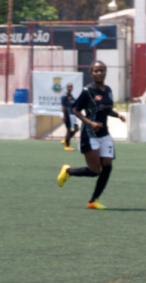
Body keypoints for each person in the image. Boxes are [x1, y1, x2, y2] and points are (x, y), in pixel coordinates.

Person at [57, 61, 125, 209]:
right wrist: (89, 123)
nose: (99, 73)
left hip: (105, 134)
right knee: (95, 171)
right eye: (96, 71)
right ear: (91, 73)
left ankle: (94, 200)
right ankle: (68, 171)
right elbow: (75, 110)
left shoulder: (108, 90)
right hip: (90, 134)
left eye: (101, 70)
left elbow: (106, 109)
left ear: (106, 72)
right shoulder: (88, 90)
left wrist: (118, 115)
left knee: (107, 167)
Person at [60, 83, 79, 151]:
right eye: (69, 86)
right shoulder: (65, 96)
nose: (70, 88)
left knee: (76, 128)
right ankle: (67, 146)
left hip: (72, 115)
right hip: (67, 114)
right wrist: (64, 115)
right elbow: (63, 106)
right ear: (66, 87)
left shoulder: (71, 96)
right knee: (68, 129)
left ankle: (66, 140)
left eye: (71, 86)